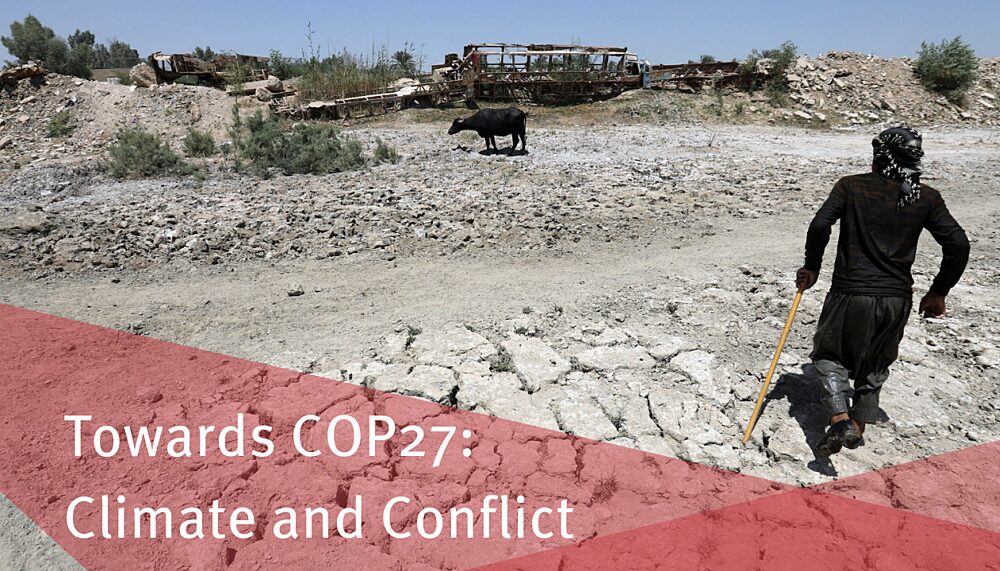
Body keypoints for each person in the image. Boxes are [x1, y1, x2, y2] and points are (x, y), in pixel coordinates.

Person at [795, 126, 970, 456]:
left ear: (878, 153)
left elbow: (820, 225)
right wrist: (939, 292)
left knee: (828, 355)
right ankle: (857, 425)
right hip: (896, 299)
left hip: (851, 292)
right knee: (874, 363)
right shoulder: (924, 196)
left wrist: (812, 266)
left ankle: (840, 417)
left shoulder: (851, 186)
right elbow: (958, 244)